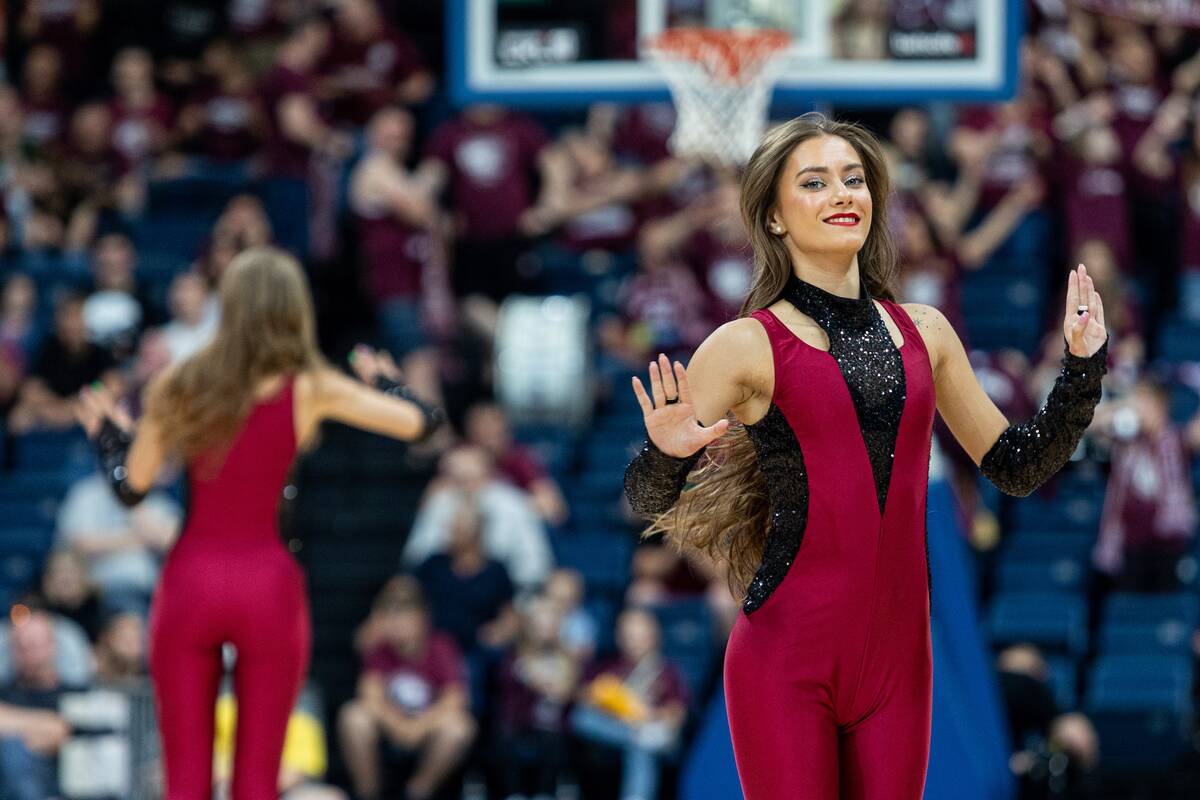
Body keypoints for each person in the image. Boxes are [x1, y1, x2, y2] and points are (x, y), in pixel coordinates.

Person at [622, 113, 1109, 799]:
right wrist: (666, 456)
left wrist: (1082, 369)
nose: (841, 194)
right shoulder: (744, 345)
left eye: (853, 179)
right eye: (814, 182)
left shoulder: (928, 332)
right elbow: (644, 499)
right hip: (786, 661)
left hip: (900, 668)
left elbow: (1015, 466)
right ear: (773, 217)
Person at [74, 247, 446, 800]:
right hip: (267, 584)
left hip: (192, 579)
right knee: (257, 784)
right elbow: (423, 424)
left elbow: (132, 487)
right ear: (294, 309)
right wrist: (389, 383)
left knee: (186, 783)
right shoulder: (311, 386)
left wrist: (108, 438)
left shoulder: (181, 380)